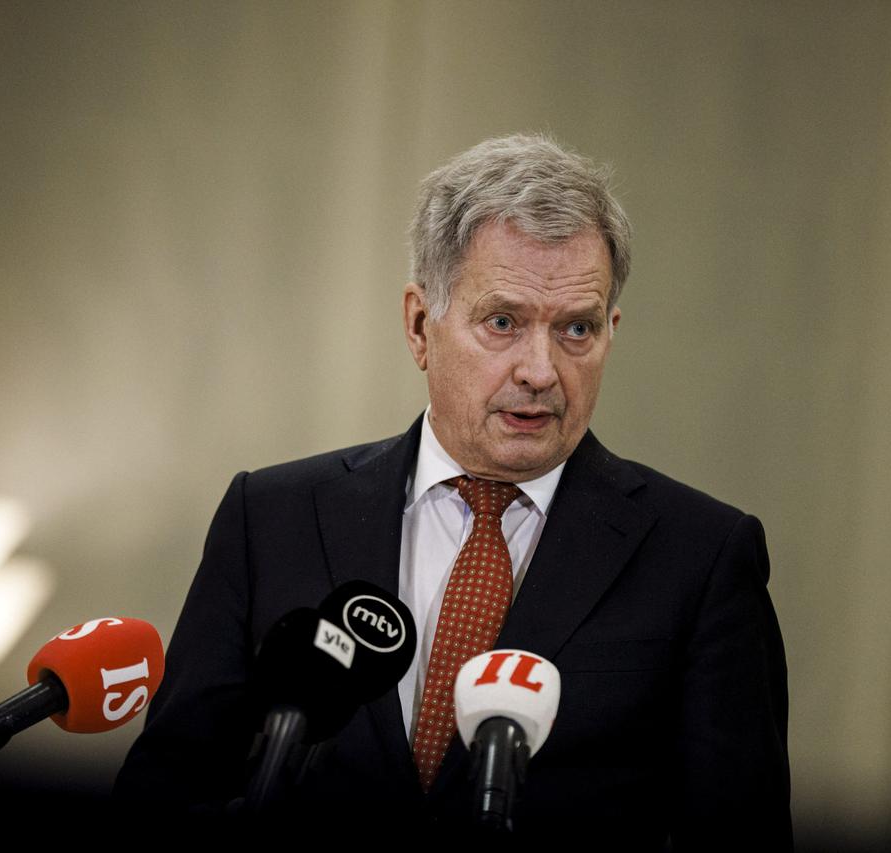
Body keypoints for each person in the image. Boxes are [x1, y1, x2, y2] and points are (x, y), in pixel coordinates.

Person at [114, 134, 791, 850]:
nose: (540, 369)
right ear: (418, 325)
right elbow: (157, 806)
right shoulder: (271, 516)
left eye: (576, 329)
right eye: (503, 322)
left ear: (610, 334)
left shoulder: (702, 557)